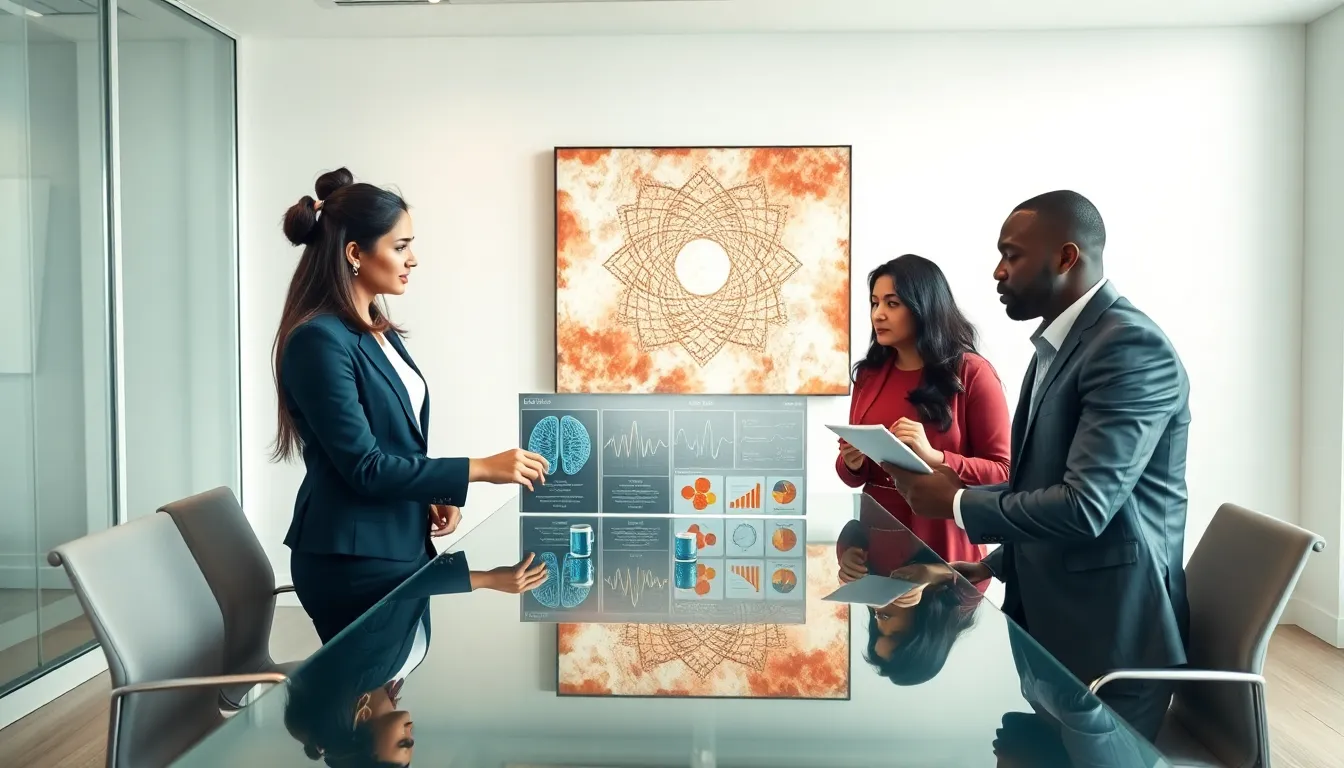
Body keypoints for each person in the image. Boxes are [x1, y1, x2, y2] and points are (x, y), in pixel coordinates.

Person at [882, 190, 1191, 742]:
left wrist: (952, 502)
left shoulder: (1130, 347)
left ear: (1067, 258)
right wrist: (994, 564)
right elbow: (1047, 486)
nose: (997, 272)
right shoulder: (1060, 345)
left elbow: (1084, 507)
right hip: (1054, 624)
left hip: (1110, 641)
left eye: (1012, 255)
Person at [272, 167, 551, 643]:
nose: (413, 259)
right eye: (400, 247)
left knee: (394, 694)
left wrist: (429, 494)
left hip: (398, 546)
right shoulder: (317, 341)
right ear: (355, 253)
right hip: (351, 564)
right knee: (371, 701)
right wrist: (480, 468)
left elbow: (391, 439)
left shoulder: (372, 324)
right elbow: (365, 466)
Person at [836, 254, 1012, 567]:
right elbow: (853, 478)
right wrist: (852, 462)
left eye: (892, 304)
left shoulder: (973, 372)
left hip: (946, 547)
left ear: (924, 306)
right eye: (874, 303)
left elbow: (1004, 473)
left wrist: (938, 459)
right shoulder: (868, 375)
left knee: (942, 614)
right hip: (875, 548)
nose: (878, 315)